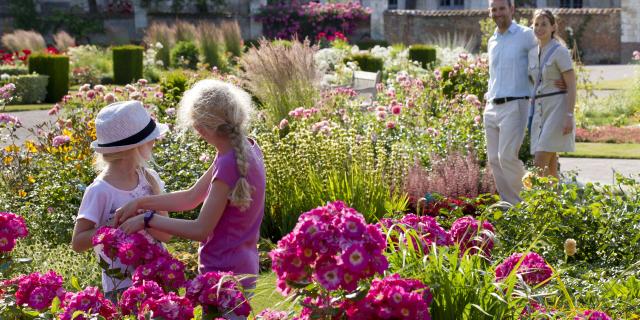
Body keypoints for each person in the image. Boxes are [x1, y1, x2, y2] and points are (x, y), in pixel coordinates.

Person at [115, 80, 266, 297]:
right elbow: (192, 197)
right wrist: (140, 203)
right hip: (242, 267)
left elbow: (200, 230)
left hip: (223, 275)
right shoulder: (244, 148)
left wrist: (147, 219)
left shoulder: (229, 163)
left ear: (200, 128)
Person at [71, 100, 172, 302]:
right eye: (151, 139)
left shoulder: (149, 179)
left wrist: (145, 218)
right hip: (121, 286)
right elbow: (78, 242)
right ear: (135, 148)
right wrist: (113, 226)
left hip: (157, 276)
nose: (155, 141)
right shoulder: (100, 191)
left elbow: (166, 235)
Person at [528, 9, 576, 178]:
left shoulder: (560, 51)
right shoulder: (532, 53)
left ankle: (535, 202)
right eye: (536, 24)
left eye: (544, 24)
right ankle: (555, 203)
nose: (539, 28)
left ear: (553, 27)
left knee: (540, 160)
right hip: (540, 110)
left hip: (558, 109)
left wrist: (569, 115)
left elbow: (572, 84)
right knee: (551, 166)